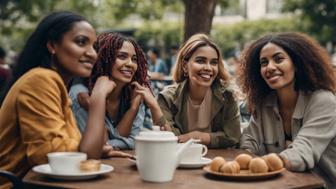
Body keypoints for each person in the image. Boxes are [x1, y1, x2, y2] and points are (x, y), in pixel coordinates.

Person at [0, 11, 114, 189]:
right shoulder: (41, 79)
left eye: (94, 47)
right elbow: (57, 157)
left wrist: (91, 148)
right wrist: (98, 97)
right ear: (52, 45)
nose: (93, 54)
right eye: (81, 42)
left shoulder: (57, 85)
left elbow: (81, 148)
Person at [239, 32, 336, 188]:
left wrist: (263, 163)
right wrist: (240, 162)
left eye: (278, 59)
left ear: (296, 64)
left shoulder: (323, 101)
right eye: (264, 63)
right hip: (280, 184)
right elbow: (249, 142)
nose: (269, 67)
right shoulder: (263, 104)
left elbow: (303, 151)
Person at [70, 32, 165, 150]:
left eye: (134, 59)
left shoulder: (134, 93)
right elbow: (92, 145)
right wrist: (118, 143)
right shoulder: (82, 95)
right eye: (122, 56)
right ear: (103, 59)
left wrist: (133, 108)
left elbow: (133, 140)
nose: (130, 64)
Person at [157, 34, 241, 148]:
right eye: (200, 61)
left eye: (214, 62)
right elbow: (170, 138)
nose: (208, 68)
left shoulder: (228, 95)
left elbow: (232, 136)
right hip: (179, 160)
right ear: (185, 66)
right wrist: (153, 105)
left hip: (219, 159)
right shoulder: (167, 97)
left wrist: (197, 136)